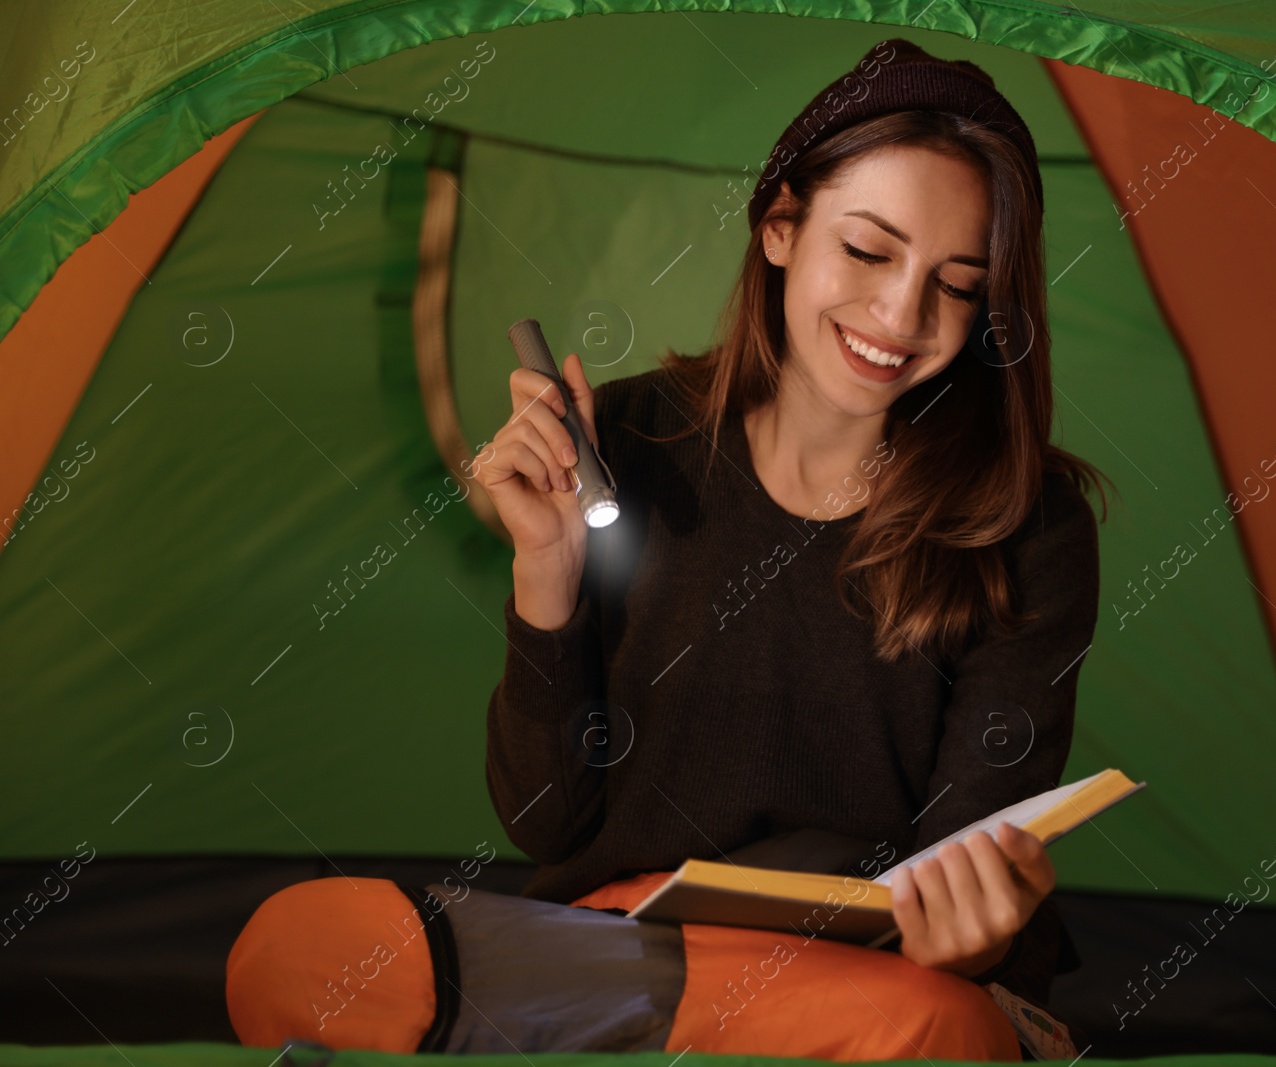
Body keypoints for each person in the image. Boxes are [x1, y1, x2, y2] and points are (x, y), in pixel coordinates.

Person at [225, 37, 1110, 1060]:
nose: (899, 315)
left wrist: (974, 931)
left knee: (936, 1029)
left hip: (872, 981)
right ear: (780, 226)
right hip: (616, 945)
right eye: (868, 252)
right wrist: (546, 570)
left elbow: (954, 880)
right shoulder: (629, 442)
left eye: (956, 284)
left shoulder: (1026, 521)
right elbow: (548, 821)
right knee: (296, 946)